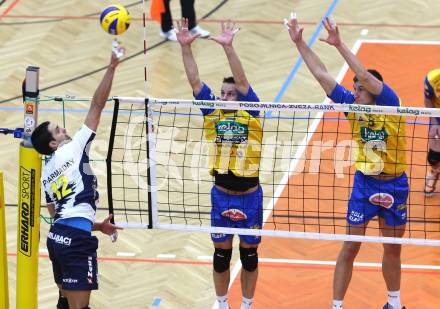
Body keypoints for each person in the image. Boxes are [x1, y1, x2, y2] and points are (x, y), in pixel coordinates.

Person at [285, 13, 408, 309]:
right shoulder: (351, 107)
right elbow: (322, 75)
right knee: (350, 247)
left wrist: (340, 44)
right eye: (354, 87)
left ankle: (394, 303)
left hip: (395, 185)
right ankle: (337, 306)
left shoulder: (390, 104)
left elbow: (365, 76)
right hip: (365, 185)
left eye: (360, 88)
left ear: (376, 89)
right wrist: (300, 42)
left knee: (392, 248)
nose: (355, 90)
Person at [176, 18, 262, 309]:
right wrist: (185, 47)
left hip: (250, 197)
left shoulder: (251, 115)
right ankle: (222, 303)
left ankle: (247, 305)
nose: (224, 96)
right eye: (222, 93)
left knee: (249, 257)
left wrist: (229, 49)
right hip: (222, 196)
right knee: (221, 256)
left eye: (229, 94)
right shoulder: (212, 114)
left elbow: (242, 82)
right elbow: (195, 81)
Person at [31, 47, 124, 309]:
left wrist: (98, 226)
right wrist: (112, 66)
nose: (64, 129)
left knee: (65, 302)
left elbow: (60, 215)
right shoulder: (74, 147)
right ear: (52, 143)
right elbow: (97, 104)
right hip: (73, 243)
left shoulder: (46, 175)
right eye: (58, 130)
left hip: (57, 239)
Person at [423, 68, 440, 196]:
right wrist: (434, 122)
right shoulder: (431, 79)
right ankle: (435, 170)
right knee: (434, 155)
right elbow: (428, 99)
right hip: (438, 114)